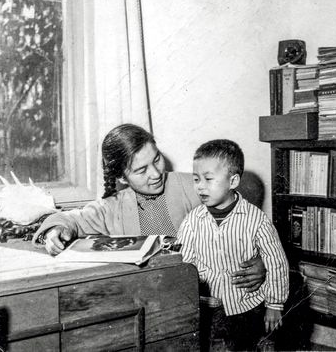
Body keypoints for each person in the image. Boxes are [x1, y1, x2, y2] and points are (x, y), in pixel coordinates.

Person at [32, 123, 266, 291]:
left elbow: (249, 186)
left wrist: (260, 261)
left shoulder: (189, 186)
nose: (156, 174)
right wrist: (55, 231)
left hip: (200, 292)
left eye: (156, 159)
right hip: (148, 295)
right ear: (122, 177)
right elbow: (71, 219)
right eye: (141, 170)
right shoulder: (112, 207)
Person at [176, 139, 289, 351]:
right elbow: (185, 261)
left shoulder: (256, 219)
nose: (200, 186)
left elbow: (276, 263)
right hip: (209, 307)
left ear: (233, 181)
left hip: (247, 305)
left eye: (209, 179)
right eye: (196, 179)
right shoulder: (192, 220)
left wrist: (274, 304)